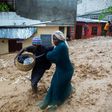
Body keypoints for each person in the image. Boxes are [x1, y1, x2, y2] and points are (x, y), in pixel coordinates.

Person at [38, 31, 74, 110]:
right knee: (54, 83)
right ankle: (46, 102)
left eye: (54, 39)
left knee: (57, 86)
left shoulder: (61, 46)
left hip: (65, 71)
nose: (53, 41)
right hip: (62, 69)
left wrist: (47, 53)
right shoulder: (61, 45)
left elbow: (51, 56)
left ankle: (54, 104)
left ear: (57, 39)